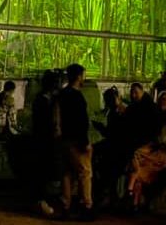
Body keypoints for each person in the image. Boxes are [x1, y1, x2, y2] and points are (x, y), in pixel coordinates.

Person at [126, 91, 166, 209]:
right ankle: (134, 203)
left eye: (165, 100)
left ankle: (130, 191)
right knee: (138, 168)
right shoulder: (157, 115)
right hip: (154, 151)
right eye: (161, 99)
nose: (163, 102)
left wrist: (148, 142)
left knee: (136, 153)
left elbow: (161, 137)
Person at [54, 63, 94, 221]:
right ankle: (86, 206)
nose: (84, 78)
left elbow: (56, 117)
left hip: (63, 140)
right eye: (83, 75)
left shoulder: (61, 94)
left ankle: (66, 206)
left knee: (66, 173)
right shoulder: (77, 97)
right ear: (78, 76)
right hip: (76, 141)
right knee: (85, 172)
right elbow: (81, 122)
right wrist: (85, 142)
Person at [31, 70, 61, 217]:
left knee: (43, 171)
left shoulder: (41, 99)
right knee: (43, 171)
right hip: (44, 140)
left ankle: (41, 200)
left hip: (43, 139)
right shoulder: (44, 101)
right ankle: (41, 201)